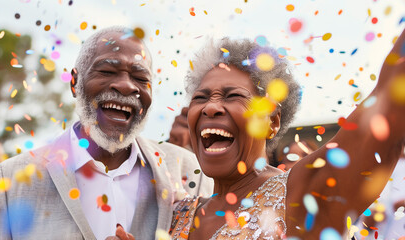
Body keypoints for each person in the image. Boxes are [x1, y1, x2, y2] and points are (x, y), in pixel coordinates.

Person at [169, 27, 405, 239]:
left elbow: (390, 100)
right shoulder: (175, 213)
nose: (210, 107)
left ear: (272, 121)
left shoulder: (301, 195)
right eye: (200, 97)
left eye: (234, 96)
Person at [0, 26, 213, 240]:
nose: (126, 86)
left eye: (141, 78)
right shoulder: (10, 180)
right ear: (74, 83)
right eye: (107, 71)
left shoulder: (190, 171)